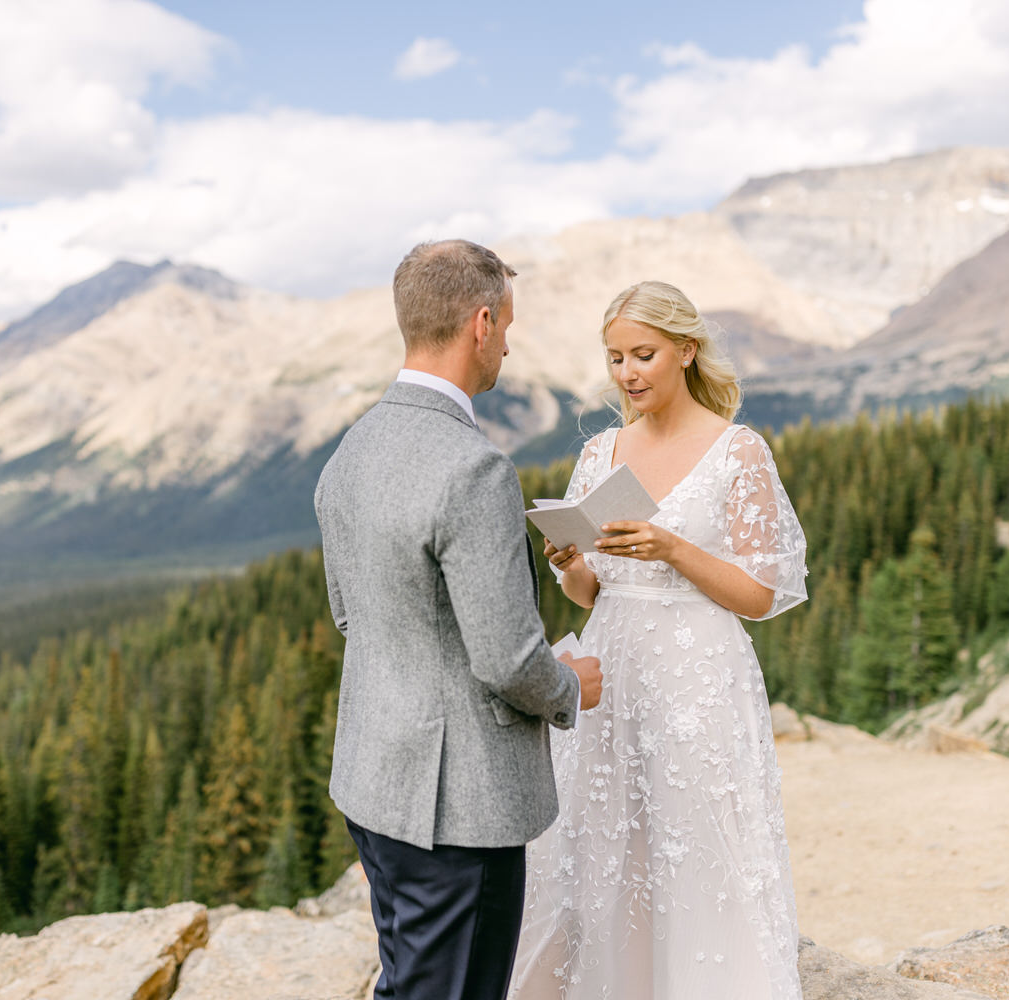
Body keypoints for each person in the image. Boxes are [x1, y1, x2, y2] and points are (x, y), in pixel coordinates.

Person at [314, 239, 605, 1000]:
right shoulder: (472, 467)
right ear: (481, 324)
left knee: (410, 985)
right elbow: (509, 660)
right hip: (459, 807)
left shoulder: (352, 449)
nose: (508, 343)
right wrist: (570, 683)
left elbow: (351, 614)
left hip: (375, 784)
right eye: (506, 326)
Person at [509, 280, 809, 1000]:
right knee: (606, 841)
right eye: (615, 358)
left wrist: (673, 550)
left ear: (685, 349)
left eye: (642, 355)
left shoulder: (738, 451)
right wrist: (572, 564)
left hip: (698, 670)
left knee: (697, 841)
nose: (628, 374)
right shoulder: (601, 451)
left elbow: (763, 595)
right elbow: (594, 592)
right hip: (610, 663)